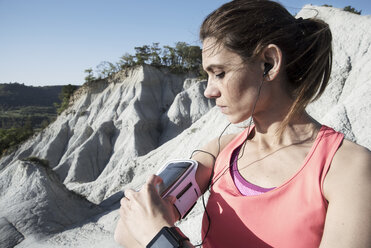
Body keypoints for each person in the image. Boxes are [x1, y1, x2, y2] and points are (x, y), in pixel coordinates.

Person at [114, 0, 371, 247]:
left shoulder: (347, 168)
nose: (208, 91)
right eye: (207, 75)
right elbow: (126, 232)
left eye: (220, 73)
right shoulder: (220, 151)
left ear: (268, 63)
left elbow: (147, 232)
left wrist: (161, 237)